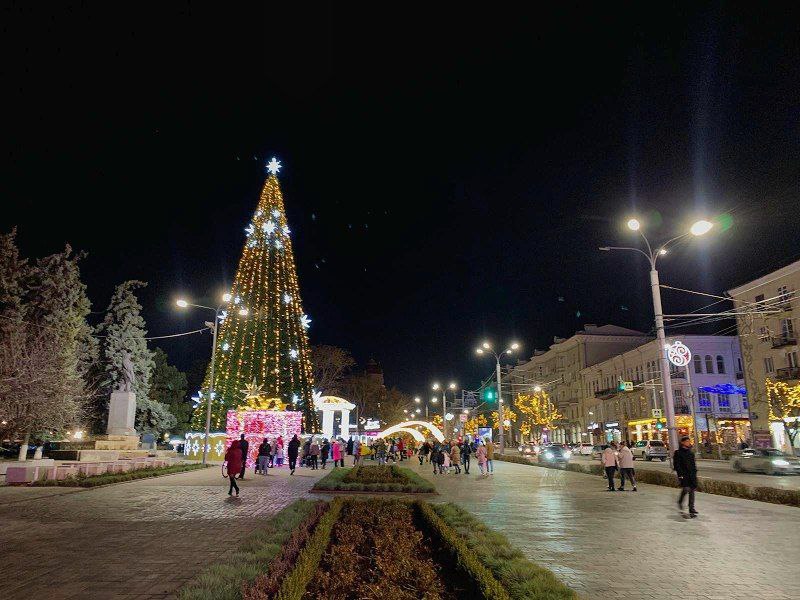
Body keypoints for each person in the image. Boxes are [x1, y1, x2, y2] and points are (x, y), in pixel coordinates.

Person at [674, 435, 699, 516]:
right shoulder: (678, 453)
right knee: (686, 489)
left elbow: (693, 464)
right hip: (684, 475)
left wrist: (695, 473)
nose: (688, 443)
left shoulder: (691, 453)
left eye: (689, 441)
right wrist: (680, 475)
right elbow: (677, 465)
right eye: (687, 441)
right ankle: (680, 501)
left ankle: (691, 508)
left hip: (691, 475)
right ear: (682, 442)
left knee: (692, 491)